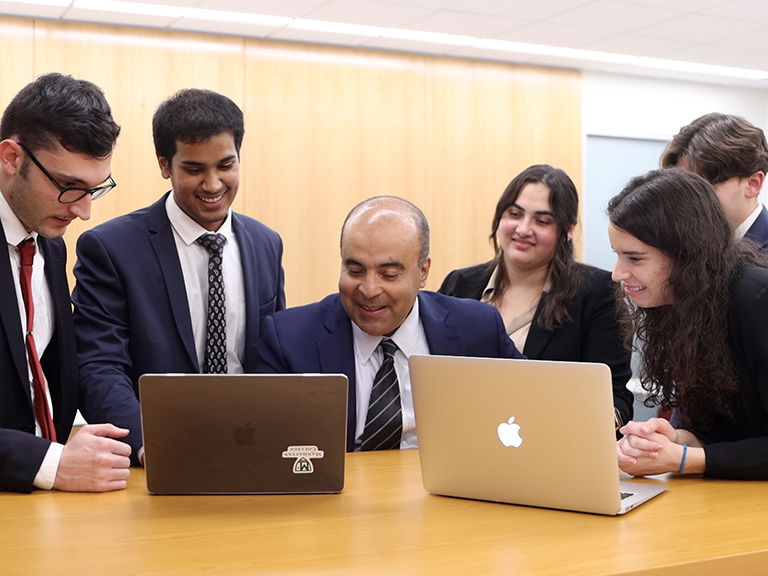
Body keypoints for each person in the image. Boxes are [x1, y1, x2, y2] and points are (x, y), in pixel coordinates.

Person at [72, 89, 285, 454]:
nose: (213, 184)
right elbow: (99, 368)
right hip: (159, 451)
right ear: (163, 164)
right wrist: (153, 444)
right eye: (194, 169)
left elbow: (275, 356)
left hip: (250, 445)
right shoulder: (110, 249)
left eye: (226, 165)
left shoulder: (266, 244)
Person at [256, 196, 523, 451]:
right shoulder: (287, 339)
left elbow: (535, 402)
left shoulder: (478, 329)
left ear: (423, 273)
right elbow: (261, 443)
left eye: (389, 274)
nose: (369, 290)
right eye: (355, 271)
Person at [0, 73, 134, 493]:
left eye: (95, 189)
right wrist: (51, 462)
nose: (83, 211)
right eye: (68, 187)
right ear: (10, 158)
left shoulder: (50, 245)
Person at [439, 164, 633, 426]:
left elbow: (614, 397)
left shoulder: (598, 292)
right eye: (514, 214)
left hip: (552, 447)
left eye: (542, 221)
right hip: (461, 436)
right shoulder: (459, 284)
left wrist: (594, 425)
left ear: (568, 230)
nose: (523, 229)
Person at [609, 167, 768, 480]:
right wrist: (674, 440)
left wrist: (684, 458)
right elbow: (725, 435)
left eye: (635, 258)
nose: (617, 273)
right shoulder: (682, 305)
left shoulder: (758, 300)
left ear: (685, 255)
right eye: (618, 255)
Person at [661, 112, 768, 251]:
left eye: (704, 189)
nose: (690, 201)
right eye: (685, 189)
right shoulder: (686, 244)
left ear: (753, 184)